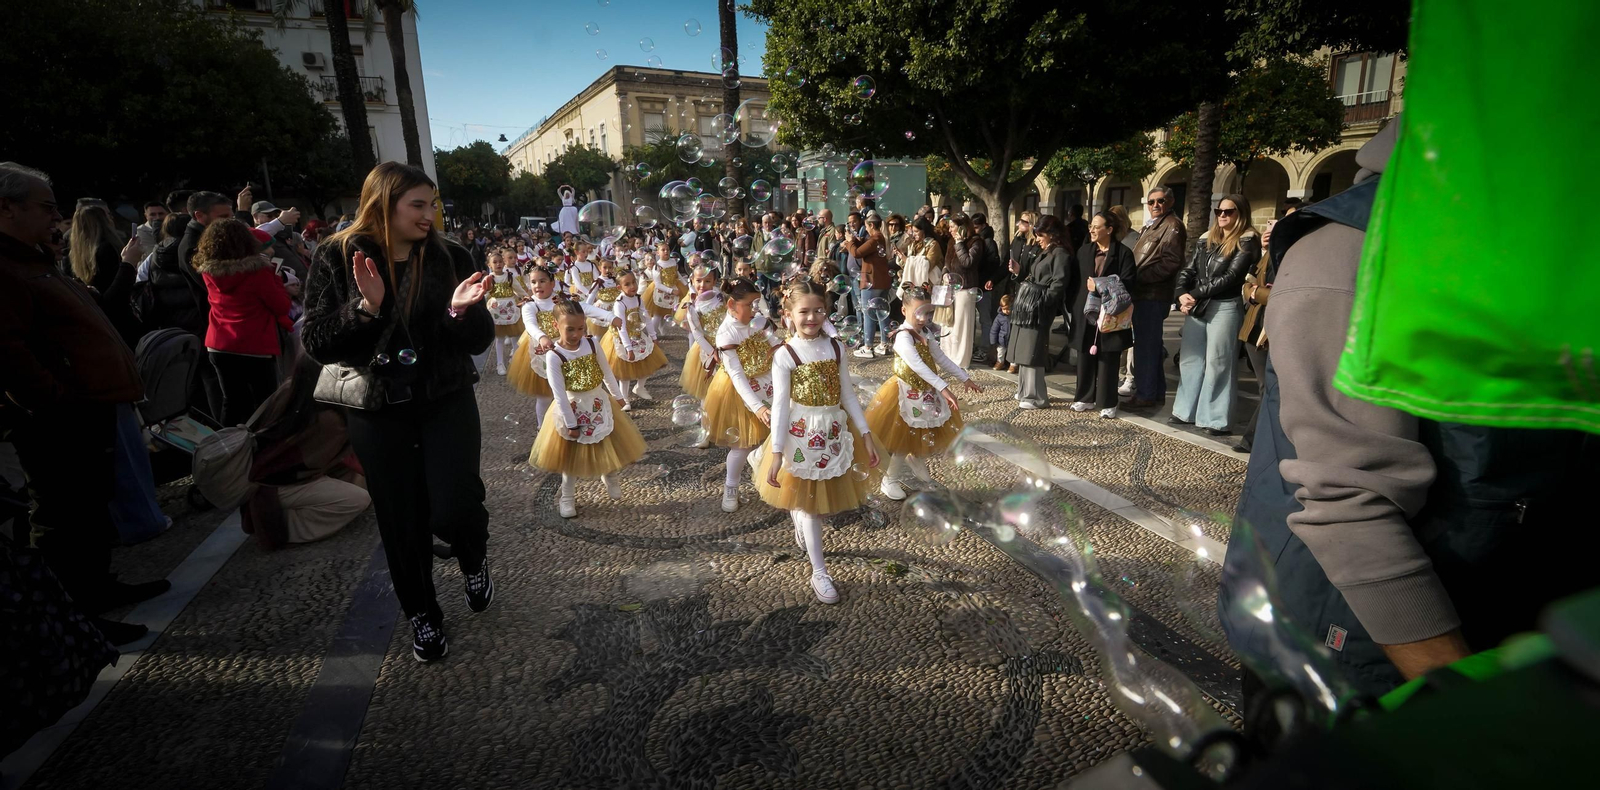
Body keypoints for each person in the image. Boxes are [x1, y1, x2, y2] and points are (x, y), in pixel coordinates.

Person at [1219, 121, 1600, 702]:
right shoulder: (1357, 246)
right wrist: (1462, 694)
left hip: (1511, 624)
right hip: (1359, 652)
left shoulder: (1543, 241)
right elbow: (1348, 503)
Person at [302, 162, 496, 663]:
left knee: (456, 506)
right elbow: (317, 341)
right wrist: (364, 310)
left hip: (446, 398)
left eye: (433, 203)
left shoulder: (449, 255)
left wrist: (459, 312)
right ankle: (424, 614)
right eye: (418, 204)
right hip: (377, 408)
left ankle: (473, 556)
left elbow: (478, 340)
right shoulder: (339, 254)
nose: (431, 214)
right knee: (401, 520)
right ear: (383, 204)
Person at [0, 162, 169, 646]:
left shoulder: (28, 257)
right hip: (56, 417)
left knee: (91, 508)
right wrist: (58, 401)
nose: (57, 219)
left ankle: (97, 588)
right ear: (7, 208)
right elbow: (10, 352)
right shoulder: (6, 267)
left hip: (85, 406)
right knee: (62, 516)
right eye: (47, 208)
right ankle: (77, 613)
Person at [756, 281, 881, 604]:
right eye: (804, 312)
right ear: (788, 315)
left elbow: (848, 394)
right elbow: (781, 405)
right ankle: (819, 570)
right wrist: (777, 452)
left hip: (833, 434)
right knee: (810, 506)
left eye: (818, 310)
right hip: (801, 436)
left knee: (820, 503)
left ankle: (800, 517)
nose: (812, 317)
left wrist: (866, 434)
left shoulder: (837, 348)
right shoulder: (786, 354)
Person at [241, 348, 371, 548]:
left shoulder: (290, 390)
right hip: (273, 486)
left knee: (358, 478)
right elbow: (337, 456)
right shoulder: (330, 418)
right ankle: (281, 526)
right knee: (358, 499)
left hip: (269, 474)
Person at [530, 299, 647, 519]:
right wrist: (571, 423)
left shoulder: (593, 344)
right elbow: (559, 393)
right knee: (570, 457)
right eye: (570, 329)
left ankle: (610, 474)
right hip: (571, 407)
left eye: (581, 328)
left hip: (598, 402)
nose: (576, 334)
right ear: (556, 326)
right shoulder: (554, 356)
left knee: (607, 441)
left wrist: (619, 397)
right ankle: (567, 496)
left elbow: (607, 372)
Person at [869, 286, 982, 501]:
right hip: (905, 393)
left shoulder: (926, 333)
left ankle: (916, 459)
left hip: (926, 392)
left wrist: (964, 377)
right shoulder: (903, 337)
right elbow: (918, 365)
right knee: (904, 438)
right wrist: (944, 388)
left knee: (924, 432)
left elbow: (940, 358)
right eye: (918, 312)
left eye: (928, 313)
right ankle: (889, 480)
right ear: (904, 311)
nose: (924, 318)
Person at [1167, 194, 1259, 435]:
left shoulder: (1247, 241)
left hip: (1224, 306)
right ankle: (1184, 411)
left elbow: (1231, 278)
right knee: (1190, 359)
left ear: (1241, 214)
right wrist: (1181, 293)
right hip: (1198, 305)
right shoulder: (1206, 239)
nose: (1222, 216)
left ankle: (1215, 419)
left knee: (1219, 362)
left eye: (1229, 212)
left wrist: (1193, 294)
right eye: (1219, 211)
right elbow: (1188, 269)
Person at [191, 220, 293, 426]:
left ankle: (227, 449)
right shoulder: (258, 272)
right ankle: (263, 450)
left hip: (220, 344)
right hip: (254, 345)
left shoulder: (209, 272)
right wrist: (276, 280)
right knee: (265, 403)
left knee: (232, 402)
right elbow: (281, 306)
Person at [703, 277, 781, 513]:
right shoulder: (726, 334)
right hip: (739, 392)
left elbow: (779, 347)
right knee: (742, 445)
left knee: (780, 432)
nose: (755, 308)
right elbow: (737, 376)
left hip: (768, 382)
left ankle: (762, 460)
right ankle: (731, 487)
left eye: (757, 302)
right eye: (749, 304)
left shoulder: (759, 322)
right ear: (732, 306)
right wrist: (757, 407)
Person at [1069, 211, 1137, 418]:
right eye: (1091, 226)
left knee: (1108, 356)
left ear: (1109, 229)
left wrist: (1099, 285)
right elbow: (1075, 281)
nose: (1091, 230)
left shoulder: (1123, 253)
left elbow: (1129, 282)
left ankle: (1108, 402)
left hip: (1112, 312)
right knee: (1084, 354)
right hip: (1086, 310)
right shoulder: (1084, 251)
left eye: (1096, 226)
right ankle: (1084, 397)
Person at [1124, 187, 1187, 409]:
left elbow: (1170, 262)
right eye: (1151, 202)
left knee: (1146, 347)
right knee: (1150, 344)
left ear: (1170, 202)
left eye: (1161, 201)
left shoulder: (1172, 226)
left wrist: (1138, 279)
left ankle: (1145, 394)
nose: (1155, 205)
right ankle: (1155, 391)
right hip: (1144, 293)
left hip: (1152, 294)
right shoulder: (1152, 225)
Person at [1007, 215, 1072, 409]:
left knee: (1032, 349)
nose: (1038, 239)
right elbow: (1033, 275)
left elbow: (1059, 282)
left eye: (1041, 234)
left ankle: (1035, 396)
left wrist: (1044, 302)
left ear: (1052, 234)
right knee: (1024, 347)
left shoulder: (1060, 253)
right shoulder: (1046, 251)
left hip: (1039, 306)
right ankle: (1025, 390)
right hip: (1030, 304)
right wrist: (1019, 272)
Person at [600, 267, 667, 404]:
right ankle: (624, 398)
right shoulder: (620, 303)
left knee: (647, 360)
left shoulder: (637, 298)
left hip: (637, 333)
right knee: (624, 371)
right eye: (627, 284)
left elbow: (646, 318)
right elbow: (622, 327)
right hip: (621, 337)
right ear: (619, 287)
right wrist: (628, 348)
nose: (632, 286)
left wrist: (653, 336)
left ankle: (640, 387)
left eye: (634, 282)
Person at [680, 265, 728, 449]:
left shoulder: (721, 298)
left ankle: (725, 427)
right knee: (706, 396)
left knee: (728, 393)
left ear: (714, 282)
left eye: (707, 281)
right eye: (699, 281)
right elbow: (698, 334)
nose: (702, 284)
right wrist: (713, 352)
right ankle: (705, 432)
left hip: (727, 348)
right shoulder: (691, 307)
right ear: (692, 280)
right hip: (706, 353)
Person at [939, 213, 988, 369]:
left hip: (966, 288)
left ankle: (959, 361)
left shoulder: (976, 242)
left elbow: (968, 262)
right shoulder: (950, 242)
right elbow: (946, 262)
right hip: (950, 288)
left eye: (953, 227)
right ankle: (947, 357)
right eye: (950, 227)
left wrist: (960, 244)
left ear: (962, 227)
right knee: (947, 324)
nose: (950, 230)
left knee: (961, 326)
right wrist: (945, 273)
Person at [845, 212, 893, 358]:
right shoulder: (879, 238)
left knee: (868, 314)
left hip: (871, 282)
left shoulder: (875, 238)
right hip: (882, 280)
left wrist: (849, 242)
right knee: (881, 313)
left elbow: (857, 253)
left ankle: (868, 346)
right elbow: (866, 249)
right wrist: (856, 241)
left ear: (871, 225)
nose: (865, 229)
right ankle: (884, 344)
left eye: (866, 226)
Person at [640, 241, 683, 337]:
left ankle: (662, 329)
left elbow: (677, 275)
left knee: (666, 314)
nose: (666, 251)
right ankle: (652, 334)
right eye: (663, 250)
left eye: (667, 249)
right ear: (658, 253)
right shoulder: (657, 266)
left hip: (673, 287)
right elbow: (658, 284)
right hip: (661, 292)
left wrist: (685, 284)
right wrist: (671, 291)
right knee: (658, 315)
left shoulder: (673, 262)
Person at [989, 294, 1013, 371]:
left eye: (1008, 309)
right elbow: (994, 329)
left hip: (1012, 339)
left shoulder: (1015, 316)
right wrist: (993, 341)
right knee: (1000, 352)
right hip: (1002, 339)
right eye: (1004, 309)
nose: (1006, 311)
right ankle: (1000, 362)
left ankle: (1013, 365)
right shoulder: (999, 317)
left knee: (1012, 353)